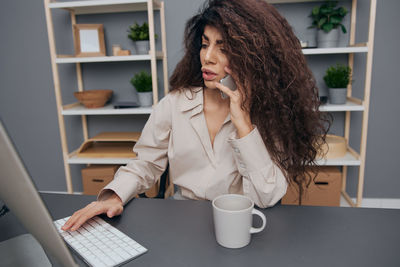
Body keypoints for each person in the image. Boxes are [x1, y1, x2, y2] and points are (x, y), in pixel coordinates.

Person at [62, 0, 328, 231]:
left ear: (253, 56)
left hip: (242, 225)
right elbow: (145, 164)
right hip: (181, 222)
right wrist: (113, 196)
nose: (208, 57)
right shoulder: (174, 104)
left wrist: (244, 125)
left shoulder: (270, 114)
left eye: (223, 48)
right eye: (204, 44)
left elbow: (267, 196)